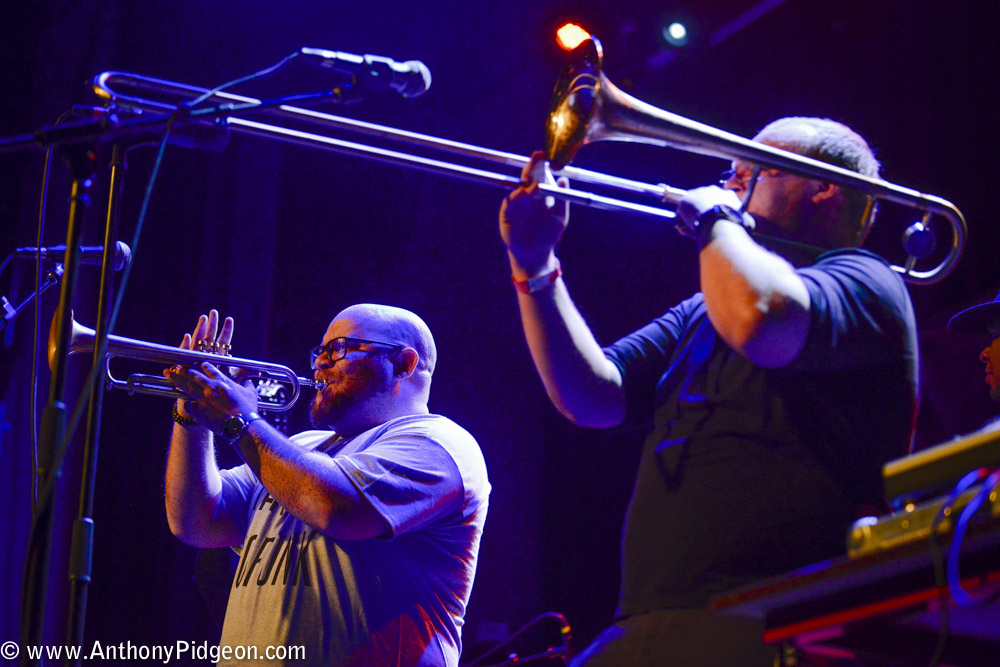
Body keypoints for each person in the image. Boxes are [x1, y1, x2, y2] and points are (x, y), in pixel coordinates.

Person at [499, 117, 918, 665]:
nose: (731, 186)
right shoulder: (702, 309)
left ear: (823, 187)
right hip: (648, 620)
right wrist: (534, 263)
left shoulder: (868, 279)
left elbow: (763, 320)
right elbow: (591, 396)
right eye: (731, 174)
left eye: (752, 172)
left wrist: (718, 220)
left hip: (780, 619)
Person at [163, 304, 490, 666]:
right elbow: (195, 520)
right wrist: (189, 410)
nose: (320, 363)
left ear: (404, 363)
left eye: (339, 349)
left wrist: (240, 421)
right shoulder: (303, 447)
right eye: (320, 352)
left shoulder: (440, 443)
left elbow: (335, 508)